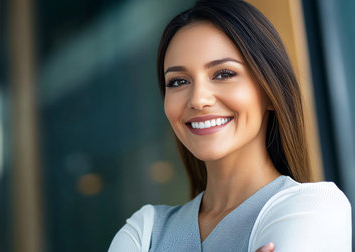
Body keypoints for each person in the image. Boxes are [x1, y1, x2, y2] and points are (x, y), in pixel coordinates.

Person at [108, 0, 352, 251]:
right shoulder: (144, 229)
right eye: (178, 81)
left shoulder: (313, 207)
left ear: (269, 91)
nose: (198, 100)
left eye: (224, 74)